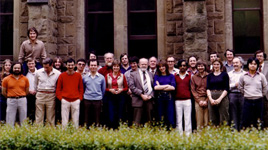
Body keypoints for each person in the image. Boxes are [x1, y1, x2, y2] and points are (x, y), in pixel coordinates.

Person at [239, 57, 267, 129]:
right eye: (251, 64)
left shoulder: (261, 76)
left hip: (258, 100)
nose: (253, 65)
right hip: (247, 100)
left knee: (258, 120)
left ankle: (259, 136)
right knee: (246, 120)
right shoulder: (243, 76)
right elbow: (240, 87)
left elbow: (265, 87)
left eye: (255, 64)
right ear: (248, 65)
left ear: (257, 65)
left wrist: (259, 95)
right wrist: (247, 94)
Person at [56, 58, 84, 128]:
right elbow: (58, 89)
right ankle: (64, 134)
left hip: (75, 100)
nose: (70, 67)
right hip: (65, 100)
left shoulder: (78, 76)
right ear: (66, 65)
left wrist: (79, 98)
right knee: (64, 120)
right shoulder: (62, 76)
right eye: (69, 65)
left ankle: (75, 134)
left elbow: (81, 88)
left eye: (72, 65)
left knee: (75, 119)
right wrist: (61, 98)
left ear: (74, 65)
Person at [34, 58, 61, 126]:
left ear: (52, 65)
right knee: (39, 116)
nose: (45, 69)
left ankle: (49, 132)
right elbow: (35, 84)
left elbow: (58, 86)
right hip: (40, 94)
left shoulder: (57, 73)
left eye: (47, 67)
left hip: (51, 95)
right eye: (44, 67)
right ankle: (38, 132)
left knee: (50, 116)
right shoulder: (38, 72)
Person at [2, 62, 29, 126]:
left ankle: (24, 133)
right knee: (10, 119)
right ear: (12, 68)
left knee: (23, 118)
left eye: (18, 68)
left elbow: (27, 91)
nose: (17, 69)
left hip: (22, 100)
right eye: (15, 68)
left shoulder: (25, 79)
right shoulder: (6, 79)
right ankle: (10, 133)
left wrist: (21, 96)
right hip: (11, 100)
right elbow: (4, 92)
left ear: (21, 69)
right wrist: (11, 97)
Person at [129, 58, 154, 125]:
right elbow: (132, 87)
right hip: (138, 101)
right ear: (139, 65)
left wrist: (150, 96)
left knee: (149, 122)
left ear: (148, 65)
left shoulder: (151, 74)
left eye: (145, 64)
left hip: (149, 101)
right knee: (137, 122)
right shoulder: (133, 74)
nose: (144, 66)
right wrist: (141, 95)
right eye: (142, 64)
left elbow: (153, 87)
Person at [105, 59, 128, 128]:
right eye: (114, 66)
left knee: (120, 113)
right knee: (111, 113)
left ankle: (119, 128)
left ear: (119, 67)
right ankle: (111, 128)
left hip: (120, 97)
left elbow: (126, 88)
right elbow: (104, 88)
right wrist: (110, 90)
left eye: (117, 66)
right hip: (110, 96)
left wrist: (121, 90)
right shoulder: (107, 75)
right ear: (112, 67)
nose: (116, 68)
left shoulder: (122, 76)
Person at [206, 58, 229, 126]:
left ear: (220, 65)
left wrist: (220, 99)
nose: (216, 66)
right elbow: (208, 88)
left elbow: (227, 88)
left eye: (217, 64)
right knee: (212, 118)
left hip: (222, 96)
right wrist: (210, 99)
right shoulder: (209, 75)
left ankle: (224, 134)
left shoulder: (224, 75)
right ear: (212, 65)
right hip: (212, 96)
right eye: (214, 64)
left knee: (223, 117)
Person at [83, 59, 106, 127]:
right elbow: (84, 88)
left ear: (98, 66)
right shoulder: (85, 77)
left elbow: (103, 90)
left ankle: (97, 132)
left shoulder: (101, 78)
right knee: (87, 118)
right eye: (91, 65)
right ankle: (86, 131)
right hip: (87, 99)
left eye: (95, 65)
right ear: (88, 66)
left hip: (97, 100)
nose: (93, 67)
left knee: (97, 118)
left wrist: (99, 96)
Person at [153, 60, 176, 128]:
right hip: (160, 99)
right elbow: (156, 88)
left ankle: (170, 132)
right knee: (161, 116)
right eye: (159, 67)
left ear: (166, 67)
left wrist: (160, 86)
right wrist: (167, 86)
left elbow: (173, 88)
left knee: (170, 116)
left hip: (169, 98)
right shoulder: (157, 76)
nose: (161, 68)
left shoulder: (171, 76)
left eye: (163, 66)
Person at [174, 60, 192, 135]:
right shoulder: (175, 75)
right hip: (177, 100)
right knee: (179, 119)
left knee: (188, 118)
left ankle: (188, 136)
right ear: (178, 66)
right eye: (181, 65)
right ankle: (179, 135)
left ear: (187, 67)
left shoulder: (190, 75)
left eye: (184, 65)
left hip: (187, 99)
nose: (182, 67)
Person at [228, 57, 245, 131]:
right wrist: (235, 84)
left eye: (237, 63)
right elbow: (227, 86)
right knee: (233, 114)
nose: (235, 64)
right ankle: (234, 131)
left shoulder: (245, 74)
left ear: (241, 64)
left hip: (243, 95)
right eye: (234, 63)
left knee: (243, 113)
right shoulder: (229, 74)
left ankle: (242, 131)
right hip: (232, 95)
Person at [191, 61, 209, 129]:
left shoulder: (209, 76)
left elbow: (210, 88)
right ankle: (199, 136)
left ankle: (207, 136)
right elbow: (193, 90)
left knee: (207, 119)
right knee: (199, 119)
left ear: (204, 67)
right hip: (198, 99)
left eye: (202, 66)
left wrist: (206, 100)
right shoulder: (194, 77)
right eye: (199, 66)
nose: (200, 67)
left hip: (208, 98)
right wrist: (199, 101)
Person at [254, 50, 268, 127]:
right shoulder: (253, 66)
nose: (259, 57)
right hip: (256, 94)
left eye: (261, 56)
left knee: (266, 113)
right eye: (257, 56)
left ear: (264, 57)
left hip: (266, 94)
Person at [124, 56, 139, 125]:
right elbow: (124, 84)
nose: (133, 65)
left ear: (137, 64)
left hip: (139, 96)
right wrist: (127, 89)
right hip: (129, 96)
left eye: (134, 63)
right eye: (131, 63)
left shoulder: (141, 72)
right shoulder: (127, 73)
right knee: (129, 112)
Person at [25, 58, 37, 122]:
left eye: (32, 63)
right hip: (28, 94)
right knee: (29, 110)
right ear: (27, 64)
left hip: (37, 94)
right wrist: (29, 91)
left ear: (35, 64)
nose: (31, 65)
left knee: (37, 110)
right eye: (29, 64)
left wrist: (36, 91)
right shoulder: (25, 74)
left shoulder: (39, 72)